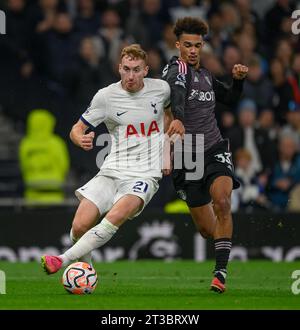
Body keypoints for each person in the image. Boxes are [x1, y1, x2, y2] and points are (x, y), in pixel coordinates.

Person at [41, 44, 184, 274]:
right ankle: (87, 271)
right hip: (112, 169)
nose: (131, 76)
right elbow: (76, 129)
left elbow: (169, 115)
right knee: (79, 227)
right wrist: (80, 139)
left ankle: (61, 259)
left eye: (136, 70)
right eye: (126, 69)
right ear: (119, 68)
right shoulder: (106, 97)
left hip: (145, 173)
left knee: (116, 215)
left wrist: (166, 152)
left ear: (146, 70)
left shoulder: (161, 90)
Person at [162, 17, 248, 293]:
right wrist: (178, 118)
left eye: (198, 45)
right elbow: (176, 92)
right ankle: (225, 240)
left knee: (222, 201)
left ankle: (219, 273)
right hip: (187, 156)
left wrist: (237, 82)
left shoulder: (207, 76)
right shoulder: (174, 70)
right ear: (178, 45)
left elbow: (232, 100)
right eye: (187, 45)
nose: (193, 50)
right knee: (207, 230)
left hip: (213, 148)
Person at [19, 109, 70, 203]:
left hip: (32, 194)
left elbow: (23, 166)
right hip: (54, 195)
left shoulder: (25, 144)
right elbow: (64, 165)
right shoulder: (56, 143)